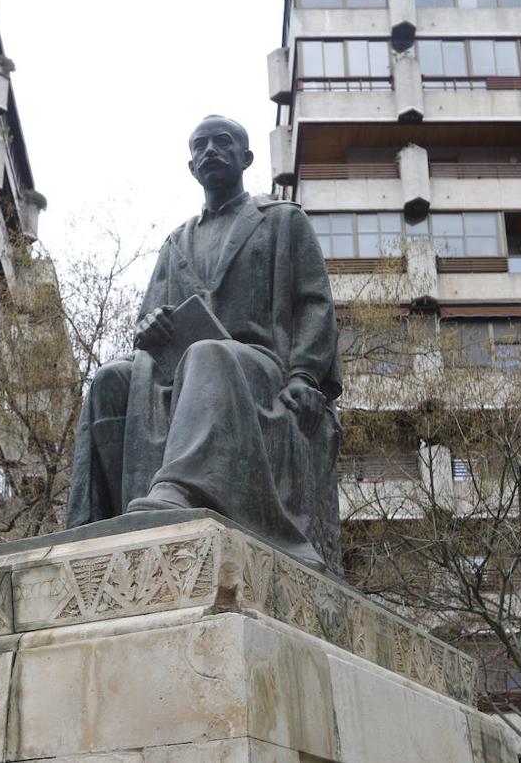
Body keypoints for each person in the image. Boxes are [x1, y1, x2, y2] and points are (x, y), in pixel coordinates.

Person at [67, 115, 342, 571]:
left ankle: (177, 492)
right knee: (111, 379)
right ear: (191, 165)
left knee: (208, 353)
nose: (210, 150)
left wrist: (304, 374)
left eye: (223, 142)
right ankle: (94, 524)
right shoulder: (176, 242)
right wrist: (151, 325)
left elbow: (314, 302)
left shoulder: (282, 221)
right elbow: (148, 319)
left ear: (246, 157)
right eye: (201, 145)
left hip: (258, 370)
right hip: (179, 374)